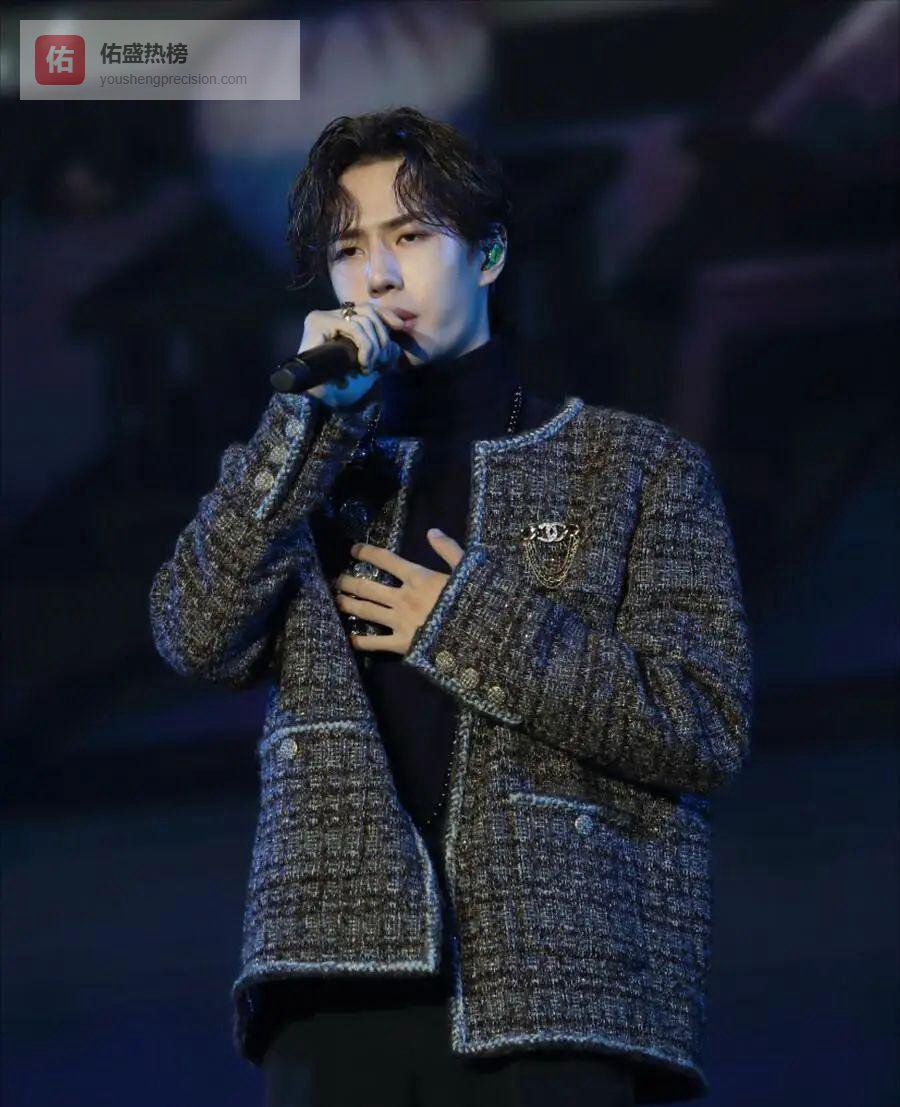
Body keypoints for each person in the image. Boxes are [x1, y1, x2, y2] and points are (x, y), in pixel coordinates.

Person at [149, 107, 753, 1106]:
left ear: (489, 254)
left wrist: (464, 623)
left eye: (412, 236)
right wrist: (302, 427)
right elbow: (194, 634)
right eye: (348, 250)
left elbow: (703, 727)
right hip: (333, 981)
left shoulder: (636, 469)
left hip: (560, 981)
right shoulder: (300, 470)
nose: (378, 276)